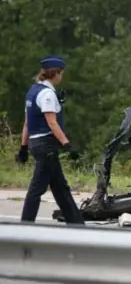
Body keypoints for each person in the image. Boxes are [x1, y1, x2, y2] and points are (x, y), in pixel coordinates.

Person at [15, 55, 85, 225]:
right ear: (56, 73)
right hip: (46, 145)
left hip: (36, 143)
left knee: (60, 188)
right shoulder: (47, 94)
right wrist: (67, 144)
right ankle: (26, 225)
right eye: (61, 74)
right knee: (37, 189)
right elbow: (52, 123)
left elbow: (27, 124)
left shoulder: (33, 91)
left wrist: (23, 147)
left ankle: (77, 224)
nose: (62, 77)